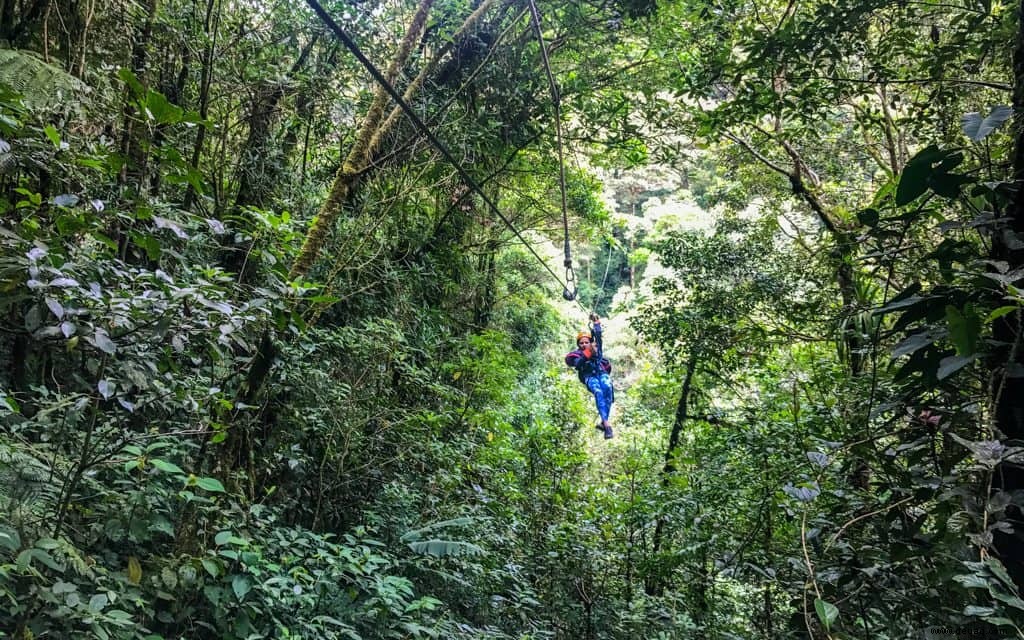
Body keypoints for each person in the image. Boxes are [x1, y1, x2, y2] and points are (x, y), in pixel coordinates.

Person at [565, 313, 615, 439]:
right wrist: (588, 352)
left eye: (586, 342)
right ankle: (607, 425)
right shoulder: (576, 355)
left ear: (589, 342)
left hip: (601, 373)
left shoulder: (597, 349)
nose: (584, 344)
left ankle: (604, 422)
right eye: (581, 343)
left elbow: (598, 336)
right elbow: (578, 364)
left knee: (608, 387)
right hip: (590, 377)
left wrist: (596, 322)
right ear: (578, 345)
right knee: (598, 391)